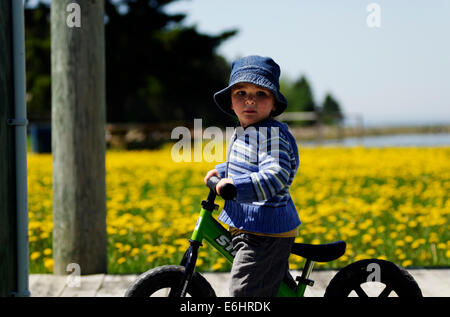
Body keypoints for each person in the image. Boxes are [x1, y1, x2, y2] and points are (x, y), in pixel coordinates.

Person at [204, 55, 301, 297]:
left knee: (244, 293)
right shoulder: (246, 131)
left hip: (265, 232)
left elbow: (275, 175)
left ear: (274, 104)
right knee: (268, 286)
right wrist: (222, 172)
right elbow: (246, 164)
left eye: (261, 94)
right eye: (241, 93)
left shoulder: (272, 136)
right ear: (231, 103)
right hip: (251, 226)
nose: (250, 100)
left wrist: (235, 186)